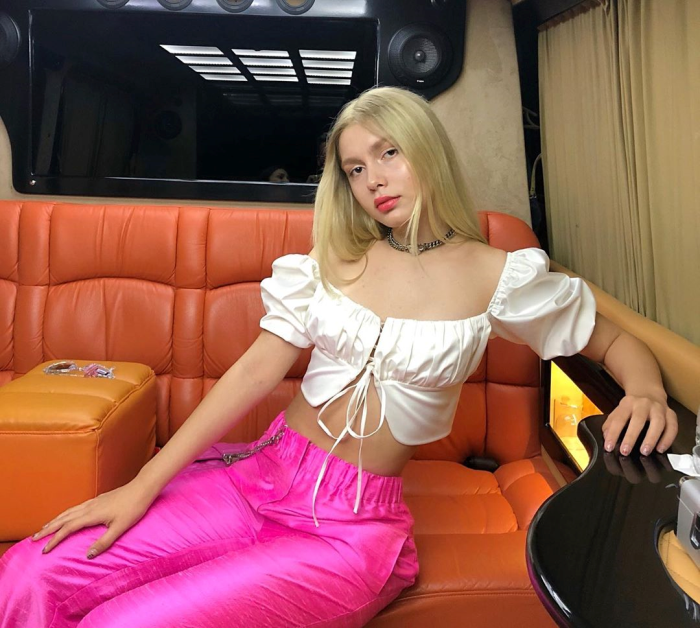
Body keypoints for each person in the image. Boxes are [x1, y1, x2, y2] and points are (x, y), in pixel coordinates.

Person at [0, 86, 677, 627]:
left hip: (348, 529)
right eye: (355, 168)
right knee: (30, 571)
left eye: (388, 154)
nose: (373, 181)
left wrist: (645, 391)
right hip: (258, 477)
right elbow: (255, 371)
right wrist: (141, 485)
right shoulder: (334, 263)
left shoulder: (499, 275)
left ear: (426, 150)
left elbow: (614, 341)